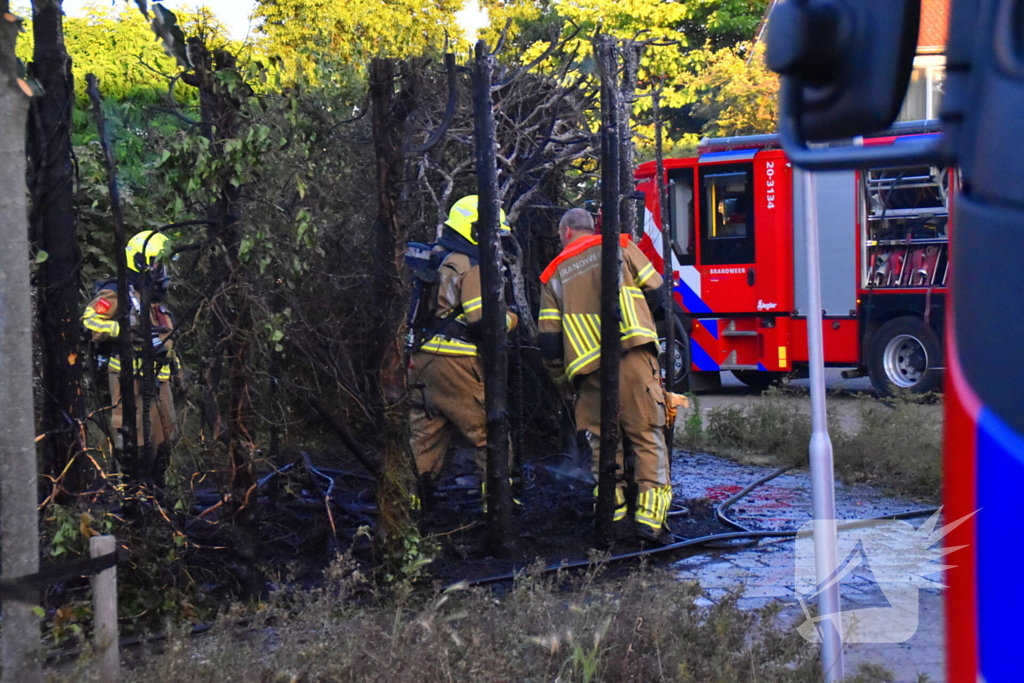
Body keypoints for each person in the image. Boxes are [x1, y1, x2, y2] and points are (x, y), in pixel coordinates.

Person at [538, 207, 673, 544]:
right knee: (647, 436)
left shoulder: (553, 274)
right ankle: (649, 523)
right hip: (633, 356)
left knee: (603, 447)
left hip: (587, 371)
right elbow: (657, 292)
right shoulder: (622, 246)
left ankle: (611, 522)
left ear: (567, 232)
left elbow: (549, 343)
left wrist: (562, 384)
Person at [407, 195, 518, 511]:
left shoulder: (436, 257)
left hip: (421, 361)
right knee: (488, 432)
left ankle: (411, 506)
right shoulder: (470, 265)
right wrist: (512, 319)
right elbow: (484, 323)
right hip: (456, 364)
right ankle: (497, 504)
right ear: (474, 228)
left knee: (423, 436)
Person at [82, 230, 178, 485]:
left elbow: (167, 340)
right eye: (158, 263)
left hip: (160, 380)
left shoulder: (157, 302)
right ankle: (132, 496)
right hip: (129, 378)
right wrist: (121, 330)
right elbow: (90, 322)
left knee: (164, 436)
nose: (162, 270)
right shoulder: (118, 294)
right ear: (140, 263)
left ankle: (157, 493)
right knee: (132, 438)